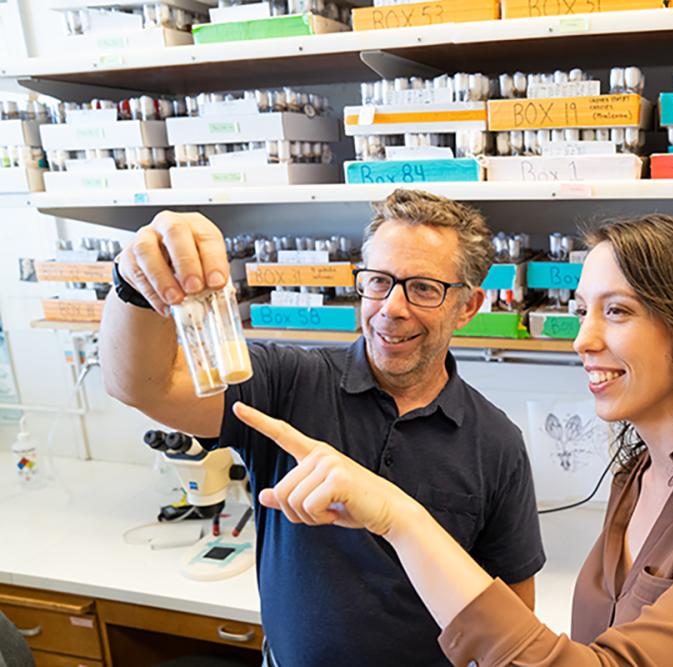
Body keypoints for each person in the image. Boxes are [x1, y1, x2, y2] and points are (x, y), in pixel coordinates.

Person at [233, 214, 673, 667]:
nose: (583, 339)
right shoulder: (642, 476)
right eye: (581, 310)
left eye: (618, 311)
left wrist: (400, 518)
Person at [99, 189, 546, 666]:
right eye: (378, 281)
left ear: (468, 306)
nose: (392, 308)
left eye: (423, 288)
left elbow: (512, 621)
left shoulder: (496, 443)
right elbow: (144, 386)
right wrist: (133, 282)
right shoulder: (287, 383)